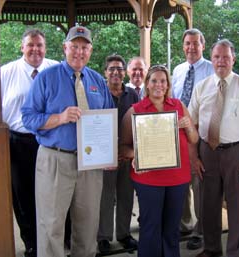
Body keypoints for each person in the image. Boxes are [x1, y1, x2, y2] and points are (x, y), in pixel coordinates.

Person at [21, 26, 114, 257]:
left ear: (91, 51)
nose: (79, 52)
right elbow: (28, 117)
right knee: (51, 226)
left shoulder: (97, 81)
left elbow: (107, 118)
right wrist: (59, 118)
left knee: (88, 224)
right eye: (74, 46)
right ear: (65, 48)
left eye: (84, 47)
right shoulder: (46, 78)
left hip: (90, 165)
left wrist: (108, 152)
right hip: (55, 159)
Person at [188, 39, 239, 257]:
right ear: (211, 59)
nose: (220, 61)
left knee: (238, 206)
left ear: (233, 58)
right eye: (216, 57)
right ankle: (212, 249)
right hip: (207, 151)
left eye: (225, 57)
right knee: (209, 205)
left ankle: (234, 253)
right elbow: (191, 124)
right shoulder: (201, 87)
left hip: (237, 153)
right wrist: (193, 157)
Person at [120, 65, 199, 257]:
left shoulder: (179, 106)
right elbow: (123, 147)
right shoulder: (135, 111)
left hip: (177, 179)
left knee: (172, 229)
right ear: (147, 84)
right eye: (154, 80)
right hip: (148, 179)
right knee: (150, 227)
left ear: (168, 85)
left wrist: (188, 126)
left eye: (163, 81)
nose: (159, 85)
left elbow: (194, 139)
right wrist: (137, 156)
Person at [0, 28, 58, 257]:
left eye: (40, 45)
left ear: (45, 48)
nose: (35, 49)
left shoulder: (55, 69)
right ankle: (32, 244)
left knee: (52, 195)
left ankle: (54, 241)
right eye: (31, 45)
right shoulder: (5, 73)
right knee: (23, 197)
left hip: (50, 140)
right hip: (19, 142)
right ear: (22, 47)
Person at [172, 28, 214, 250]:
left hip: (201, 135)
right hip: (178, 135)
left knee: (199, 184)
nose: (191, 47)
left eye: (195, 43)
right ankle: (185, 224)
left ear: (203, 45)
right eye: (187, 43)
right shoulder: (178, 70)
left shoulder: (211, 69)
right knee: (181, 181)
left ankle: (201, 230)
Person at [97, 54, 138, 254]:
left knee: (126, 196)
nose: (116, 72)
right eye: (111, 68)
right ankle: (103, 237)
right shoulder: (97, 93)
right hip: (104, 156)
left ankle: (124, 234)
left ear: (125, 72)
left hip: (126, 155)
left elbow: (138, 124)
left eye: (120, 69)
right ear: (105, 72)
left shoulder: (133, 95)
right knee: (105, 197)